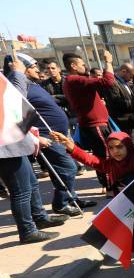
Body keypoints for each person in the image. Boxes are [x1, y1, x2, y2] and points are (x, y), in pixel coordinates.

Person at [5, 53, 96, 216]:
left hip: (59, 134)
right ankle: (61, 203)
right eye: (32, 67)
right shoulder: (17, 84)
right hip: (48, 136)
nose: (37, 70)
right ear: (21, 68)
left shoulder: (32, 83)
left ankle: (71, 198)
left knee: (64, 169)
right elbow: (16, 112)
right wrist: (34, 136)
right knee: (69, 167)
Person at [0, 58, 68, 244]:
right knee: (20, 191)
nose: (37, 69)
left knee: (31, 183)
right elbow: (15, 102)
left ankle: (40, 218)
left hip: (14, 144)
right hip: (6, 149)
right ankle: (27, 231)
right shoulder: (12, 77)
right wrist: (17, 73)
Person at [50, 130, 134, 255]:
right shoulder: (111, 164)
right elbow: (90, 160)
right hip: (126, 206)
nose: (115, 151)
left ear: (128, 146)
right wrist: (69, 144)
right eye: (111, 148)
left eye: (119, 147)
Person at [62, 50, 116, 193]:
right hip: (95, 125)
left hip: (96, 124)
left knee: (102, 154)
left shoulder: (74, 81)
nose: (85, 67)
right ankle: (110, 187)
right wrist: (108, 62)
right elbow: (108, 81)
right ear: (73, 66)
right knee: (105, 156)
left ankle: (108, 186)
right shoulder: (74, 80)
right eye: (82, 64)